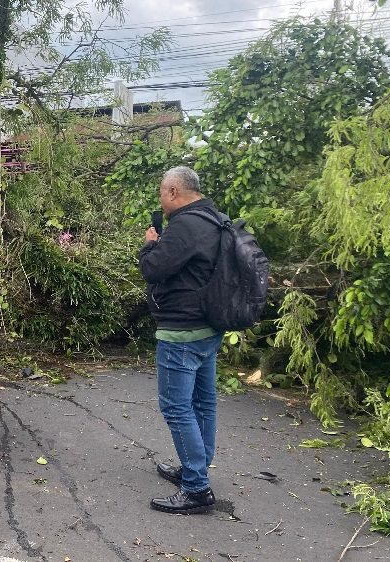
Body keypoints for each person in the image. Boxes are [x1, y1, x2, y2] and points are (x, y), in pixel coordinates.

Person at [138, 166, 224, 515]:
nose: (161, 198)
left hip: (182, 332)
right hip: (209, 327)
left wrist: (149, 245)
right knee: (203, 403)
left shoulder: (185, 226)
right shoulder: (217, 220)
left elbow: (152, 269)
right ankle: (195, 470)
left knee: (176, 407)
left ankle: (196, 488)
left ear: (174, 192)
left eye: (162, 192)